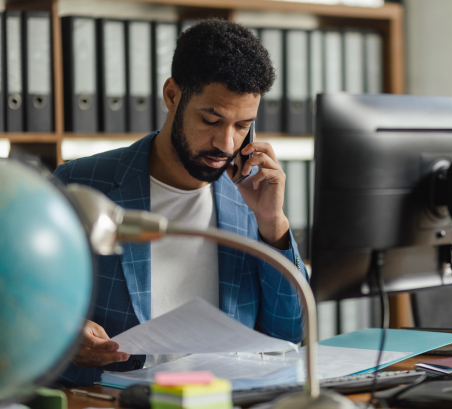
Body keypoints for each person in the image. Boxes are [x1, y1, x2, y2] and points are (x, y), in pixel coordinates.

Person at [54, 19, 307, 387]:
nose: (226, 144)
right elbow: (21, 303)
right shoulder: (79, 185)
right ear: (172, 96)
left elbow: (290, 331)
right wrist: (62, 331)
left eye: (242, 126)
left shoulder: (251, 200)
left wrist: (273, 223)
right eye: (211, 119)